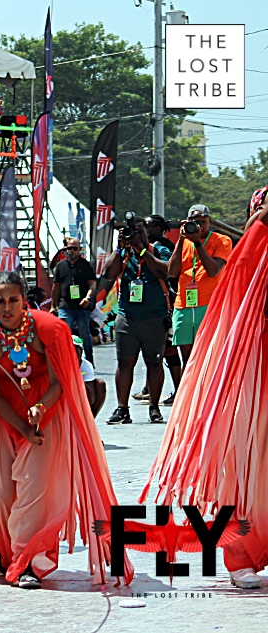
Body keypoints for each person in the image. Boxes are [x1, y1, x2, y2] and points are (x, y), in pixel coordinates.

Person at [0, 271, 131, 589]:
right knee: (1, 494)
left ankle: (27, 564)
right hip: (4, 419)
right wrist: (22, 424)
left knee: (35, 492)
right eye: (0, 301)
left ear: (25, 300)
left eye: (13, 300)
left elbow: (59, 381)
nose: (7, 308)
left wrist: (40, 412)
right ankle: (10, 557)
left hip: (46, 417)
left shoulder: (48, 330)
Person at [142, 186, 268, 590]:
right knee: (241, 466)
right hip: (249, 371)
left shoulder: (227, 243)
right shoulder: (251, 250)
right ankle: (239, 555)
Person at [97, 216, 171, 425]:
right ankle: (122, 408)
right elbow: (107, 273)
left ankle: (154, 408)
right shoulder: (124, 254)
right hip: (127, 317)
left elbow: (164, 272)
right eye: (131, 232)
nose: (135, 235)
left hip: (154, 317)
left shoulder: (159, 250)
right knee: (124, 362)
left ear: (146, 232)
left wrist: (141, 250)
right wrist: (119, 248)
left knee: (154, 362)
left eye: (139, 231)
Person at [167, 204, 232, 365]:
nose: (199, 226)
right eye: (195, 222)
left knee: (209, 356)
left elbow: (213, 270)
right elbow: (171, 272)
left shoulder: (222, 240)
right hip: (184, 305)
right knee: (188, 359)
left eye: (203, 221)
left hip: (210, 304)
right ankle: (187, 390)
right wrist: (182, 240)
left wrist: (198, 243)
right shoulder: (184, 242)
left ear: (210, 221)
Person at [133, 215, 182, 406]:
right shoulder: (138, 248)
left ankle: (179, 390)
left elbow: (168, 272)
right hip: (147, 305)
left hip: (166, 303)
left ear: (158, 228)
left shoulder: (163, 248)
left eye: (148, 226)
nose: (144, 228)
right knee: (153, 351)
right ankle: (149, 388)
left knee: (168, 350)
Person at [50, 237, 97, 364]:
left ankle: (88, 360)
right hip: (65, 305)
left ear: (80, 250)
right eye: (69, 248)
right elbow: (56, 287)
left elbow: (92, 284)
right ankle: (65, 361)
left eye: (75, 248)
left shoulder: (86, 265)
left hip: (82, 306)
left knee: (84, 334)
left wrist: (88, 298)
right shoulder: (60, 266)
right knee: (64, 333)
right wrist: (53, 306)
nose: (72, 251)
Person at [73, 335, 106, 417]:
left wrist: (77, 374)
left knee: (100, 384)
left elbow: (91, 399)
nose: (73, 355)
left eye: (76, 352)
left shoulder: (85, 365)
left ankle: (89, 420)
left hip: (78, 392)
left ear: (81, 351)